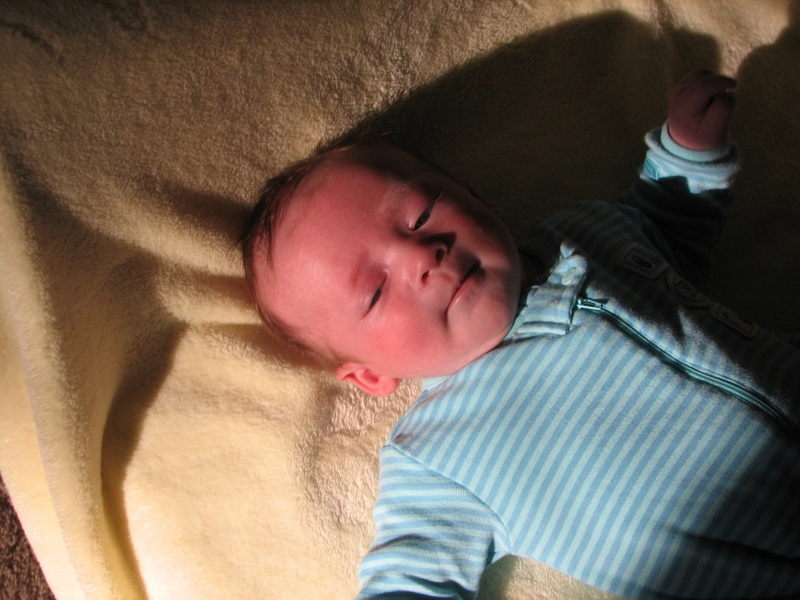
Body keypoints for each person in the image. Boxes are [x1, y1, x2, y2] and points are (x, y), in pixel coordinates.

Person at [239, 70, 800, 599]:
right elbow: (409, 578)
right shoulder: (439, 459)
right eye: (375, 292)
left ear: (474, 195)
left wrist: (685, 154)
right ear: (370, 375)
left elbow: (668, 227)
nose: (421, 257)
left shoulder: (582, 233)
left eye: (422, 215)